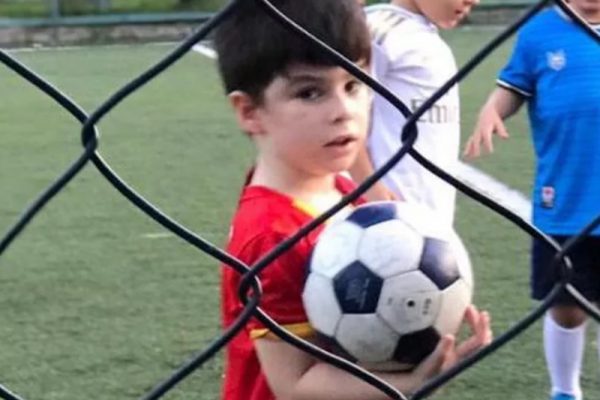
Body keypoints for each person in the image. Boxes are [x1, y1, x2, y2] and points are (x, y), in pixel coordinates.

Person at [216, 1, 492, 399]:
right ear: (249, 111)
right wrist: (410, 383)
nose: (344, 110)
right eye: (310, 92)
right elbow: (293, 386)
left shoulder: (339, 190)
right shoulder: (270, 234)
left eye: (354, 85)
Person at [463, 2, 600, 399]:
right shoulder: (538, 32)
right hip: (565, 200)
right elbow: (512, 86)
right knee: (565, 306)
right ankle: (564, 389)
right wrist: (492, 109)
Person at [350, 0, 479, 229]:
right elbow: (345, 116)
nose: (474, 1)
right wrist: (372, 190)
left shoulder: (426, 37)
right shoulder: (380, 31)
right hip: (383, 217)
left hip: (428, 218)